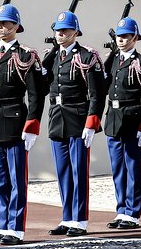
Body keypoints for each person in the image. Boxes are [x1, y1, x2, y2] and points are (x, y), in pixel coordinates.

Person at [0, 4, 45, 245]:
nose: (1, 27)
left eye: (5, 24)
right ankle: (2, 224)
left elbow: (36, 94)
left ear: (16, 26)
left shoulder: (26, 56)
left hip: (15, 121)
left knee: (16, 179)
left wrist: (32, 124)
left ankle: (16, 228)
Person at [41, 12, 105, 237]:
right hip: (57, 118)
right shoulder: (53, 57)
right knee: (63, 172)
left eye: (65, 30)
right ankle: (67, 217)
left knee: (79, 171)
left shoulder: (87, 56)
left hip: (78, 119)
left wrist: (91, 122)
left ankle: (80, 220)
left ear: (75, 32)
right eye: (58, 30)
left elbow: (97, 94)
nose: (60, 34)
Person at [103, 17, 141, 229]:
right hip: (113, 118)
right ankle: (121, 210)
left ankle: (132, 213)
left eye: (126, 36)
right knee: (118, 167)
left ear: (135, 37)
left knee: (133, 166)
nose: (121, 39)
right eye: (119, 35)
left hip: (133, 118)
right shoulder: (111, 60)